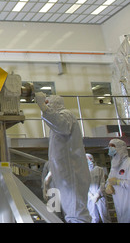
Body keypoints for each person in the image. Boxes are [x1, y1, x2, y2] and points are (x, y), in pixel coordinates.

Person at [35, 92, 91, 223]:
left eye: (48, 103)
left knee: (76, 212)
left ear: (55, 104)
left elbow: (62, 126)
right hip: (64, 173)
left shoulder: (66, 115)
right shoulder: (56, 120)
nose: (46, 106)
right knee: (69, 212)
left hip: (72, 173)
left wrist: (43, 108)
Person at [105, 138, 130, 223]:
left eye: (113, 146)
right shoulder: (114, 166)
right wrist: (108, 185)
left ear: (120, 148)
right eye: (109, 146)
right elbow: (109, 180)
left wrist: (118, 182)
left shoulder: (128, 163)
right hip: (119, 203)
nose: (110, 149)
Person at [86, 153, 110, 223]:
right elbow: (85, 185)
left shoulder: (99, 169)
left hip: (100, 196)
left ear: (92, 159)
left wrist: (97, 194)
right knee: (93, 217)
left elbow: (102, 183)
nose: (88, 160)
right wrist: (91, 195)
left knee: (104, 216)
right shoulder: (84, 171)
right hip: (90, 197)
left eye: (89, 158)